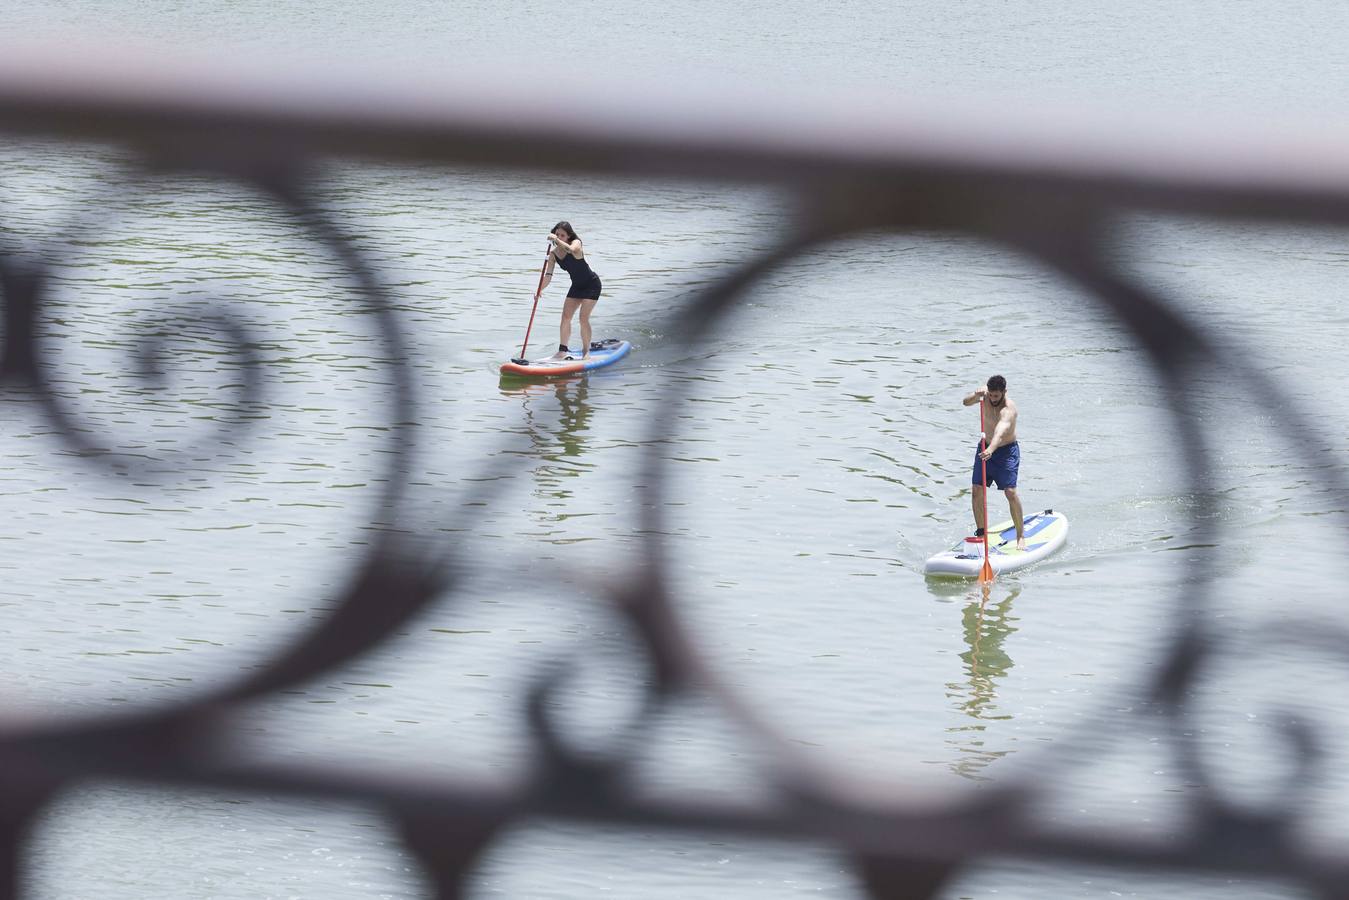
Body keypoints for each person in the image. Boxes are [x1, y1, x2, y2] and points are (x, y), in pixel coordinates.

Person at [962, 375, 1025, 550]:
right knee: (976, 490)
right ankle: (981, 533)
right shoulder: (985, 395)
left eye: (997, 396)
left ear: (1004, 392)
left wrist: (991, 450)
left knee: (1010, 492)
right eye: (991, 395)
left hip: (1005, 451)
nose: (993, 399)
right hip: (985, 447)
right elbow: (965, 403)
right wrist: (976, 396)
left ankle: (1020, 536)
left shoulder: (1008, 410)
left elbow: (1000, 432)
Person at [540, 221, 603, 359]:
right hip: (576, 286)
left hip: (592, 284)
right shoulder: (553, 254)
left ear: (568, 236)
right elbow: (548, 276)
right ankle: (563, 350)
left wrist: (556, 240)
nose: (559, 237)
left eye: (562, 235)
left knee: (583, 318)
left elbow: (572, 250)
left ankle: (586, 351)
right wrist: (539, 290)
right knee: (565, 317)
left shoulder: (576, 243)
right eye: (557, 234)